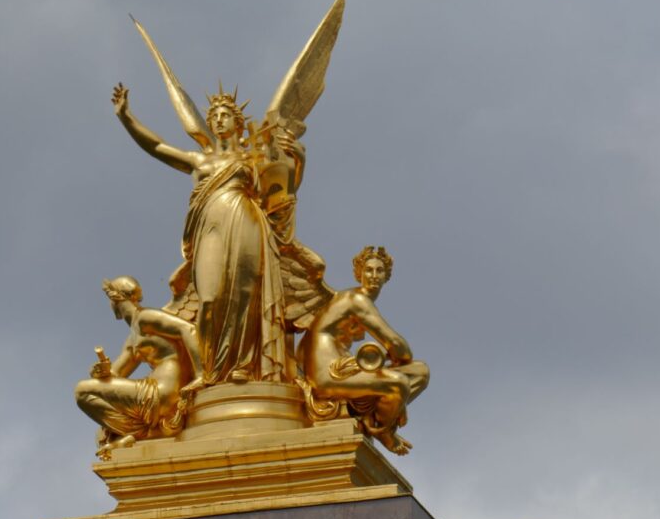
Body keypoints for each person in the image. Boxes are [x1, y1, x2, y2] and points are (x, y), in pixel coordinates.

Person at [112, 84, 300, 386]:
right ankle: (210, 370)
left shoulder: (253, 159)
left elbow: (282, 191)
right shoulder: (200, 161)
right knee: (209, 299)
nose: (219, 120)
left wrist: (294, 158)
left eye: (225, 115)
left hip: (246, 223)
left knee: (246, 295)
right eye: (214, 117)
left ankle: (243, 365)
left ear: (238, 122)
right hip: (209, 231)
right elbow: (157, 147)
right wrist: (126, 117)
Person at [298, 247, 429, 454]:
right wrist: (398, 395)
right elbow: (399, 348)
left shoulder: (352, 299)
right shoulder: (356, 300)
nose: (374, 275)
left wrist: (397, 401)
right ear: (359, 274)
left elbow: (400, 353)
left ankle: (375, 415)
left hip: (345, 368)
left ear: (386, 276)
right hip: (327, 375)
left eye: (379, 270)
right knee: (398, 384)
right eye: (369, 270)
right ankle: (382, 429)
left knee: (420, 372)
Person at [74, 276, 201, 457]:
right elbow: (114, 374)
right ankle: (143, 434)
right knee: (88, 393)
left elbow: (189, 329)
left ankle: (136, 432)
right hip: (155, 391)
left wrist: (200, 376)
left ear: (115, 299)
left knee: (82, 390)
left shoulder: (145, 317)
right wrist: (100, 372)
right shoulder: (132, 339)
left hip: (162, 391)